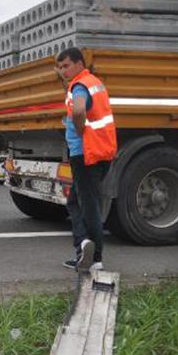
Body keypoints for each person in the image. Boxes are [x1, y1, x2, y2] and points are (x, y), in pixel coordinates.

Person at [56, 47, 117, 272]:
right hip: (102, 150)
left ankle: (93, 256)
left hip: (85, 154)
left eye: (67, 65)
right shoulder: (95, 82)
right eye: (60, 67)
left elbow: (80, 111)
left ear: (79, 64)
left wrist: (80, 130)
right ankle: (85, 249)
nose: (63, 71)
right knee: (76, 201)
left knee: (88, 205)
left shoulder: (79, 85)